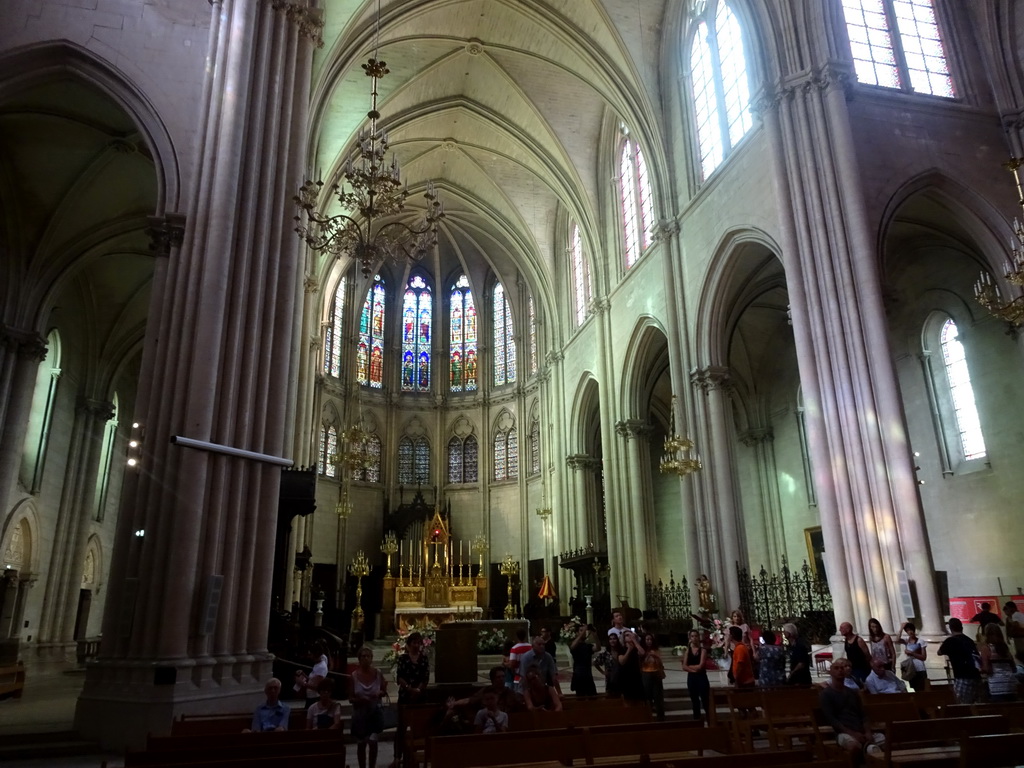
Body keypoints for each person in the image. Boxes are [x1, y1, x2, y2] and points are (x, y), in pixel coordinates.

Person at [819, 658, 885, 760]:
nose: (840, 670)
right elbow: (832, 720)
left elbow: (863, 715)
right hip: (844, 733)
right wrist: (853, 733)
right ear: (831, 672)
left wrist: (867, 732)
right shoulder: (826, 694)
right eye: (836, 668)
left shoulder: (852, 693)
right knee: (853, 745)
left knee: (884, 740)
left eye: (842, 668)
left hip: (861, 731)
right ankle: (865, 752)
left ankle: (868, 749)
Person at [395, 631, 429, 768]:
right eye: (414, 642)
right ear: (408, 645)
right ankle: (398, 757)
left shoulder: (424, 659)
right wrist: (409, 689)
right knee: (401, 728)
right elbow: (400, 677)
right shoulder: (403, 659)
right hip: (405, 696)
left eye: (418, 643)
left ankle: (414, 758)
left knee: (418, 728)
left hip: (419, 697)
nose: (416, 645)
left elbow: (425, 677)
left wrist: (419, 690)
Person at [350, 646, 386, 768]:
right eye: (363, 656)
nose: (366, 658)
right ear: (359, 659)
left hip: (374, 711)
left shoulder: (378, 673)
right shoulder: (354, 676)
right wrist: (360, 700)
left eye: (368, 656)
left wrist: (379, 693)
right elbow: (350, 697)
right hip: (360, 712)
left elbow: (383, 689)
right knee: (361, 744)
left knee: (373, 742)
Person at [938, 617, 982, 704]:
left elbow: (939, 652)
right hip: (976, 676)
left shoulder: (950, 641)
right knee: (976, 704)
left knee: (963, 705)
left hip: (962, 676)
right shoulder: (969, 640)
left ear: (951, 628)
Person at [980, 623, 1018, 702]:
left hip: (996, 685)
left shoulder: (987, 648)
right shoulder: (1005, 648)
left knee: (998, 709)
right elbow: (1014, 668)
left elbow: (986, 669)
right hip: (1010, 684)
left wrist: (980, 669)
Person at [682, 629, 710, 720]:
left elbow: (700, 666)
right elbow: (684, 666)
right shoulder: (687, 651)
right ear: (690, 638)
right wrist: (693, 669)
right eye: (692, 636)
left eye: (696, 636)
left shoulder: (703, 651)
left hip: (701, 677)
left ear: (699, 637)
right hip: (692, 678)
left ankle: (710, 720)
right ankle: (697, 721)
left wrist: (690, 667)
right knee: (694, 701)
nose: (694, 638)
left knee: (705, 700)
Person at [896, 622, 928, 692]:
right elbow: (897, 640)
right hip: (911, 668)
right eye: (907, 630)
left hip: (920, 668)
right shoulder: (906, 641)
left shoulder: (921, 641)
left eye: (911, 630)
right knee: (914, 688)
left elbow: (924, 657)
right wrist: (901, 628)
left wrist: (912, 653)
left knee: (922, 689)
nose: (910, 632)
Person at [616, 629, 646, 703]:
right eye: (627, 635)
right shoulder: (621, 649)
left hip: (636, 676)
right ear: (624, 638)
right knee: (628, 700)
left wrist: (635, 641)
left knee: (640, 700)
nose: (629, 637)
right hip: (626, 677)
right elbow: (622, 661)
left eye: (631, 635)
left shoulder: (637, 647)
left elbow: (642, 653)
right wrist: (629, 650)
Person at [640, 632, 666, 719]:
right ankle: (648, 716)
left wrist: (654, 655)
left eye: (650, 639)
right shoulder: (642, 650)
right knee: (647, 696)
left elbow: (660, 660)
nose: (649, 641)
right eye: (647, 639)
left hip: (656, 673)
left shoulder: (656, 650)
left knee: (658, 696)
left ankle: (661, 717)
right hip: (646, 673)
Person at [569, 624, 598, 696]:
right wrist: (584, 631)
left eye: (585, 631)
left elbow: (598, 648)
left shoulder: (588, 646)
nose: (584, 632)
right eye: (581, 630)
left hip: (588, 675)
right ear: (577, 633)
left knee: (593, 697)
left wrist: (595, 635)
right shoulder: (575, 645)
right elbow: (572, 647)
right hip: (578, 675)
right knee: (580, 698)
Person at [594, 632, 622, 697]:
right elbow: (595, 662)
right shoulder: (606, 653)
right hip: (610, 681)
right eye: (610, 639)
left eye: (614, 639)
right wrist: (603, 672)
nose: (612, 640)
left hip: (621, 679)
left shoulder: (621, 651)